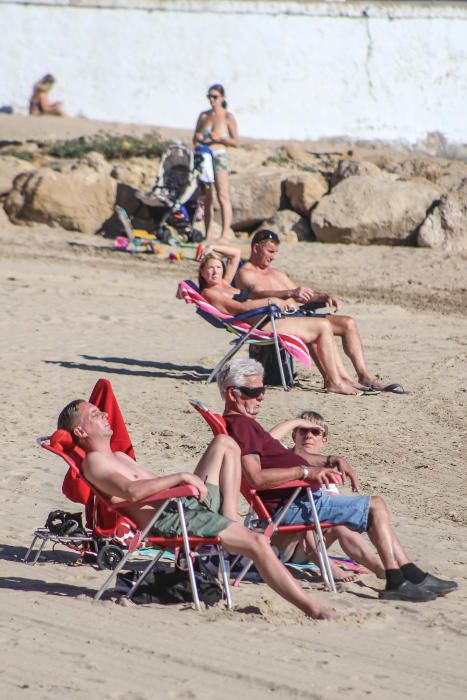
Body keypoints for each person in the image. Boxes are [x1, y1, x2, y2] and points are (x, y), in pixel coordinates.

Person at [57, 398, 337, 620]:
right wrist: (181, 477)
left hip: (184, 505)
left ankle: (229, 518)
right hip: (172, 520)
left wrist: (184, 483)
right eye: (95, 415)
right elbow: (132, 492)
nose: (104, 415)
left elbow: (151, 486)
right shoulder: (95, 463)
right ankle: (312, 608)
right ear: (80, 431)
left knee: (225, 443)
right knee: (257, 543)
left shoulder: (117, 456)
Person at [218, 357, 457, 602]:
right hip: (291, 505)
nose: (261, 397)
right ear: (233, 394)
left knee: (375, 507)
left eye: (262, 390)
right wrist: (305, 473)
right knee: (376, 505)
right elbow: (255, 478)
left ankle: (410, 573)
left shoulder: (246, 424)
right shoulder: (242, 427)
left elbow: (287, 457)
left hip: (296, 499)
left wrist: (329, 459)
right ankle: (397, 578)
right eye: (253, 391)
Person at [235, 229, 407, 394]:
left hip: (297, 315)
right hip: (274, 320)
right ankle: (335, 379)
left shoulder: (277, 273)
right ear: (256, 248)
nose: (273, 257)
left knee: (348, 323)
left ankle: (364, 376)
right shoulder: (245, 273)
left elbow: (301, 295)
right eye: (270, 252)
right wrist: (289, 293)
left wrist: (323, 297)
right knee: (321, 326)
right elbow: (255, 293)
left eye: (275, 252)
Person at [198, 243, 367, 395]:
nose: (215, 272)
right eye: (210, 268)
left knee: (325, 325)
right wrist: (272, 301)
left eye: (218, 267)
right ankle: (334, 382)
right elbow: (239, 308)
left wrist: (211, 247)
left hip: (265, 316)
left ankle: (340, 378)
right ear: (202, 272)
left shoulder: (225, 283)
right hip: (260, 324)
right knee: (322, 326)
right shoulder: (210, 292)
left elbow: (235, 253)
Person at [270, 410, 385, 582]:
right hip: (279, 541)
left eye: (315, 432)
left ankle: (381, 569)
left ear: (323, 441)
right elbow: (268, 439)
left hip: (306, 549)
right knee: (308, 510)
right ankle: (328, 568)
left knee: (337, 524)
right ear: (294, 435)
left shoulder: (326, 472)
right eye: (303, 430)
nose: (309, 435)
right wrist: (295, 421)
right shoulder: (283, 456)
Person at [193, 84, 239, 242]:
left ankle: (225, 233)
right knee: (207, 197)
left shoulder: (227, 117)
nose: (212, 100)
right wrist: (199, 138)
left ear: (222, 98)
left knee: (222, 194)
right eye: (210, 97)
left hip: (219, 154)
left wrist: (219, 139)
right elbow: (195, 137)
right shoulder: (204, 116)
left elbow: (235, 141)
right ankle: (208, 234)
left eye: (215, 97)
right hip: (204, 154)